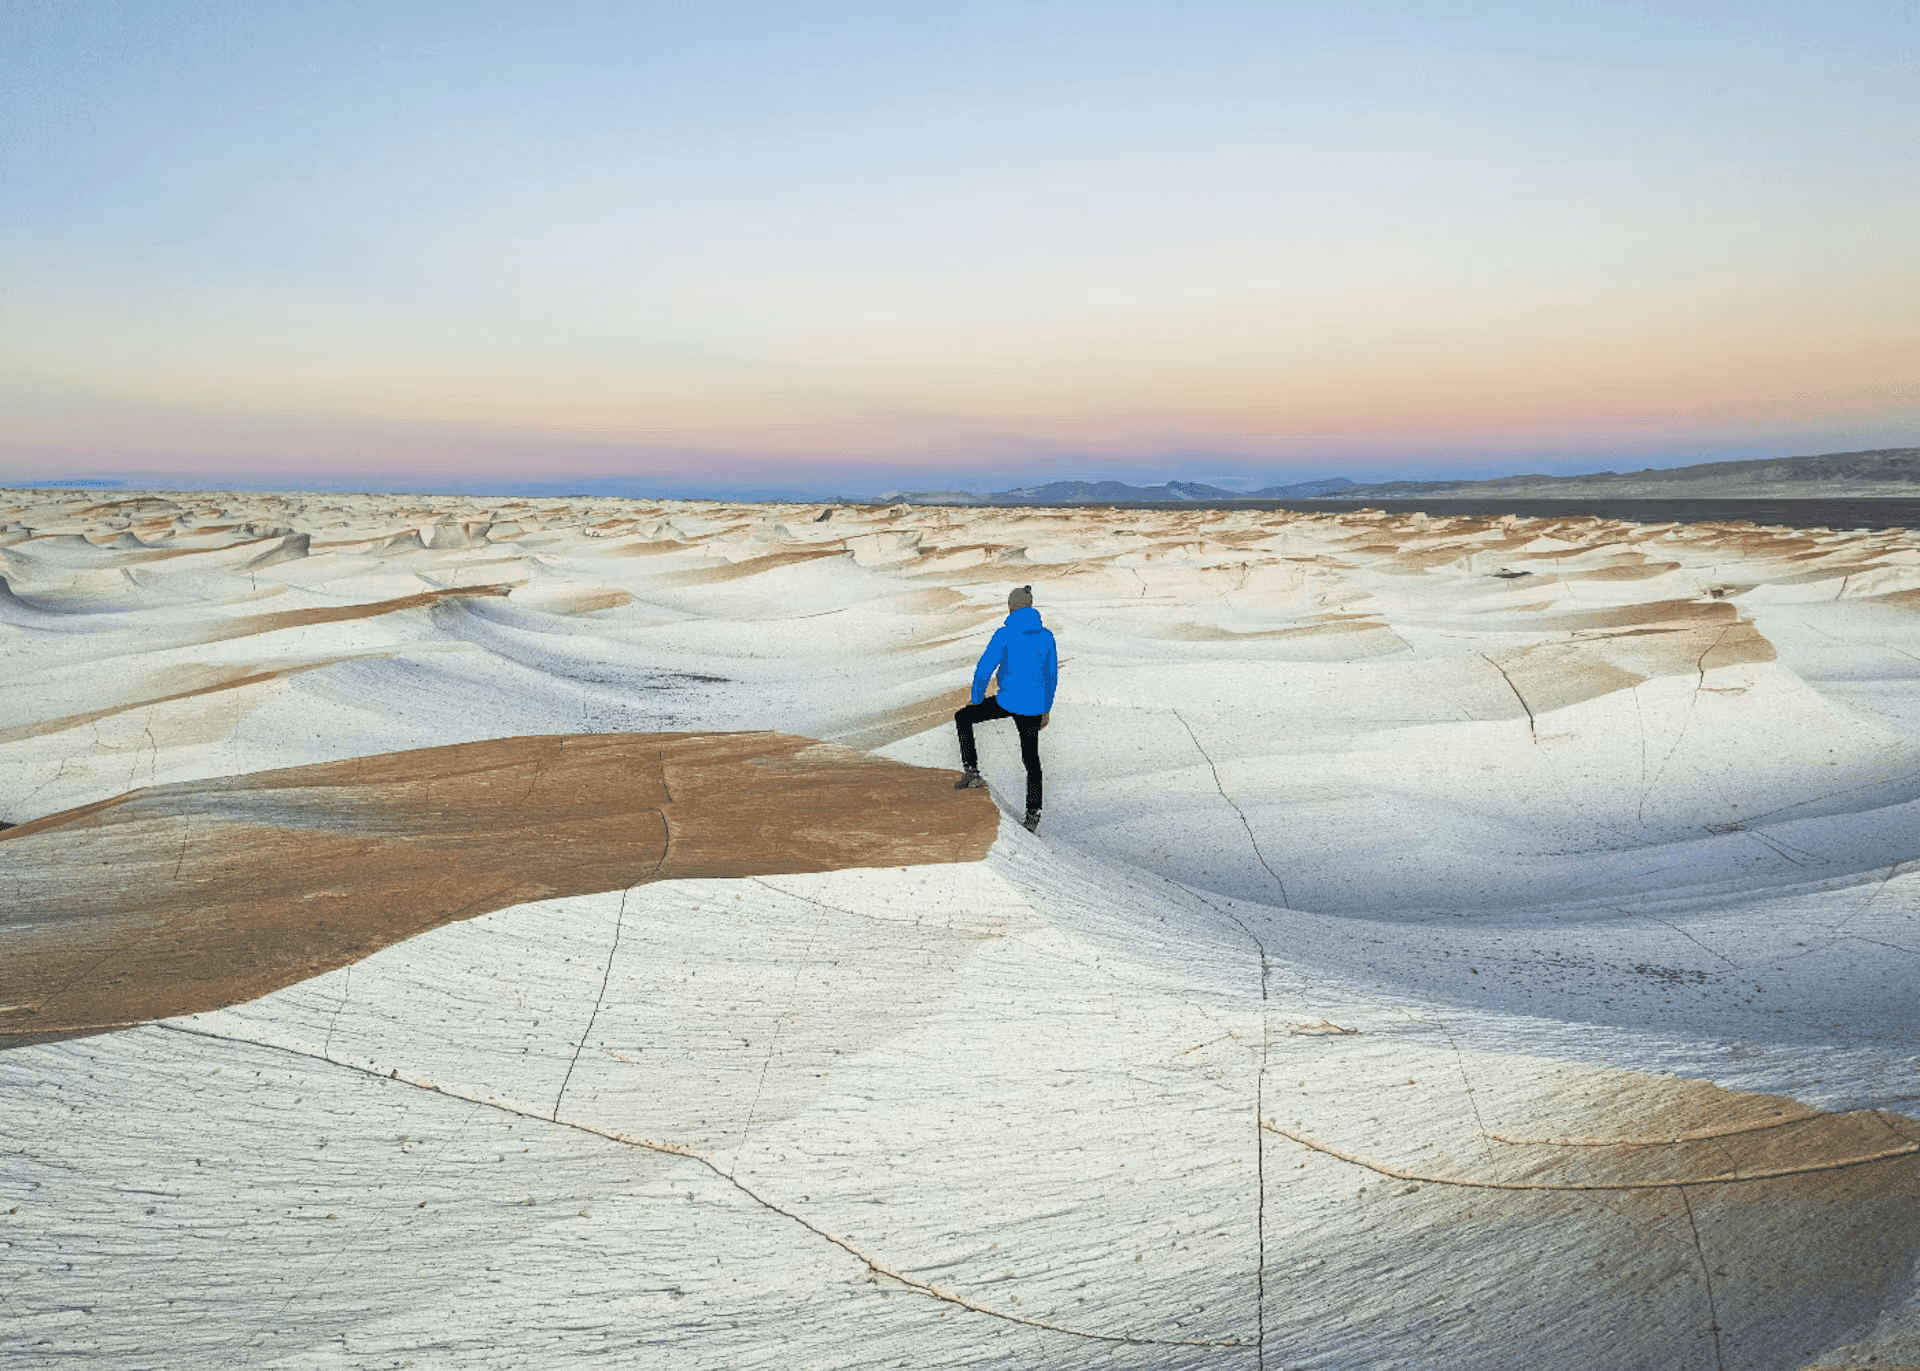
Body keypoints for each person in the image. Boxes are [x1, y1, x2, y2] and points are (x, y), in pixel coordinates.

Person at [953, 584, 1057, 832]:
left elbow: (983, 670)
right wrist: (1046, 709)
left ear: (1011, 607)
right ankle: (1033, 813)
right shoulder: (1046, 636)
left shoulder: (1004, 634)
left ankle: (972, 772)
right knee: (1031, 761)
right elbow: (1051, 676)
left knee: (963, 718)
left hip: (1007, 701)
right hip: (1033, 708)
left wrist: (977, 700)